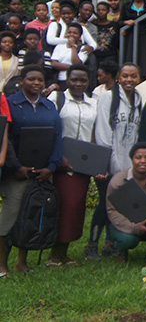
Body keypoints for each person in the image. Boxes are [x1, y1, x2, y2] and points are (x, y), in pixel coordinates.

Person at [0, 66, 52, 276]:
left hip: (40, 171)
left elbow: (56, 136)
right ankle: (1, 263)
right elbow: (8, 138)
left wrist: (51, 166)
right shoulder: (11, 103)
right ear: (21, 80)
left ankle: (22, 262)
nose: (37, 83)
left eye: (40, 80)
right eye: (31, 79)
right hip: (16, 171)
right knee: (9, 217)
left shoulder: (49, 106)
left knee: (29, 216)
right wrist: (16, 166)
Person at [46, 64, 98, 267]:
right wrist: (59, 156)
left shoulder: (93, 103)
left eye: (82, 80)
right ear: (67, 80)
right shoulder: (57, 99)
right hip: (61, 163)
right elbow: (51, 131)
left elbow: (94, 133)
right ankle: (54, 253)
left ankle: (64, 253)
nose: (78, 84)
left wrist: (97, 161)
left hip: (83, 164)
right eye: (74, 80)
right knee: (62, 206)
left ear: (88, 82)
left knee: (76, 207)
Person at [89, 62, 142, 261]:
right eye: (125, 76)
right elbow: (103, 131)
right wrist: (105, 164)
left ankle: (110, 244)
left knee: (119, 205)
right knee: (105, 204)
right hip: (109, 164)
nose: (129, 80)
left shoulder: (137, 99)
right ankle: (91, 244)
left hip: (127, 164)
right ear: (119, 77)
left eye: (134, 76)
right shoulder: (108, 98)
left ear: (139, 78)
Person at [105, 143, 146, 263]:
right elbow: (111, 210)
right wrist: (134, 228)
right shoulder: (118, 181)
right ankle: (122, 252)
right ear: (132, 159)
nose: (143, 161)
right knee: (128, 240)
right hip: (124, 223)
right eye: (138, 157)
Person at [120, 0, 146, 72]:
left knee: (144, 58)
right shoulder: (126, 5)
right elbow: (120, 21)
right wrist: (126, 22)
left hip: (145, 35)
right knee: (130, 56)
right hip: (131, 35)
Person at [50, 23, 90, 91]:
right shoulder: (60, 46)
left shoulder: (84, 48)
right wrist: (72, 68)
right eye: (69, 32)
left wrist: (73, 46)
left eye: (75, 33)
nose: (71, 35)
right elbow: (54, 64)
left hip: (75, 81)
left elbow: (77, 63)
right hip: (61, 80)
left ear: (80, 36)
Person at [92, 1, 119, 68]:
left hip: (110, 56)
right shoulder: (93, 25)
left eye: (103, 10)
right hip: (95, 56)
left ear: (108, 11)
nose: (101, 12)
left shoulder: (114, 25)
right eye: (99, 10)